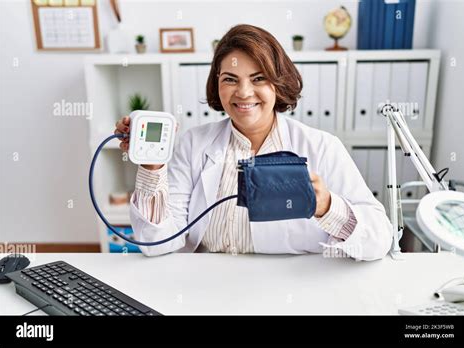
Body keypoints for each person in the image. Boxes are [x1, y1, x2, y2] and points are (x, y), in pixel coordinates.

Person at [114, 24, 393, 260]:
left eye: (258, 78)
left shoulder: (321, 147)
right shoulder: (193, 144)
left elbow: (380, 239)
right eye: (230, 79)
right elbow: (157, 242)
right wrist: (152, 168)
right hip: (206, 288)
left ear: (278, 82)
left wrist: (327, 207)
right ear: (217, 85)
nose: (244, 92)